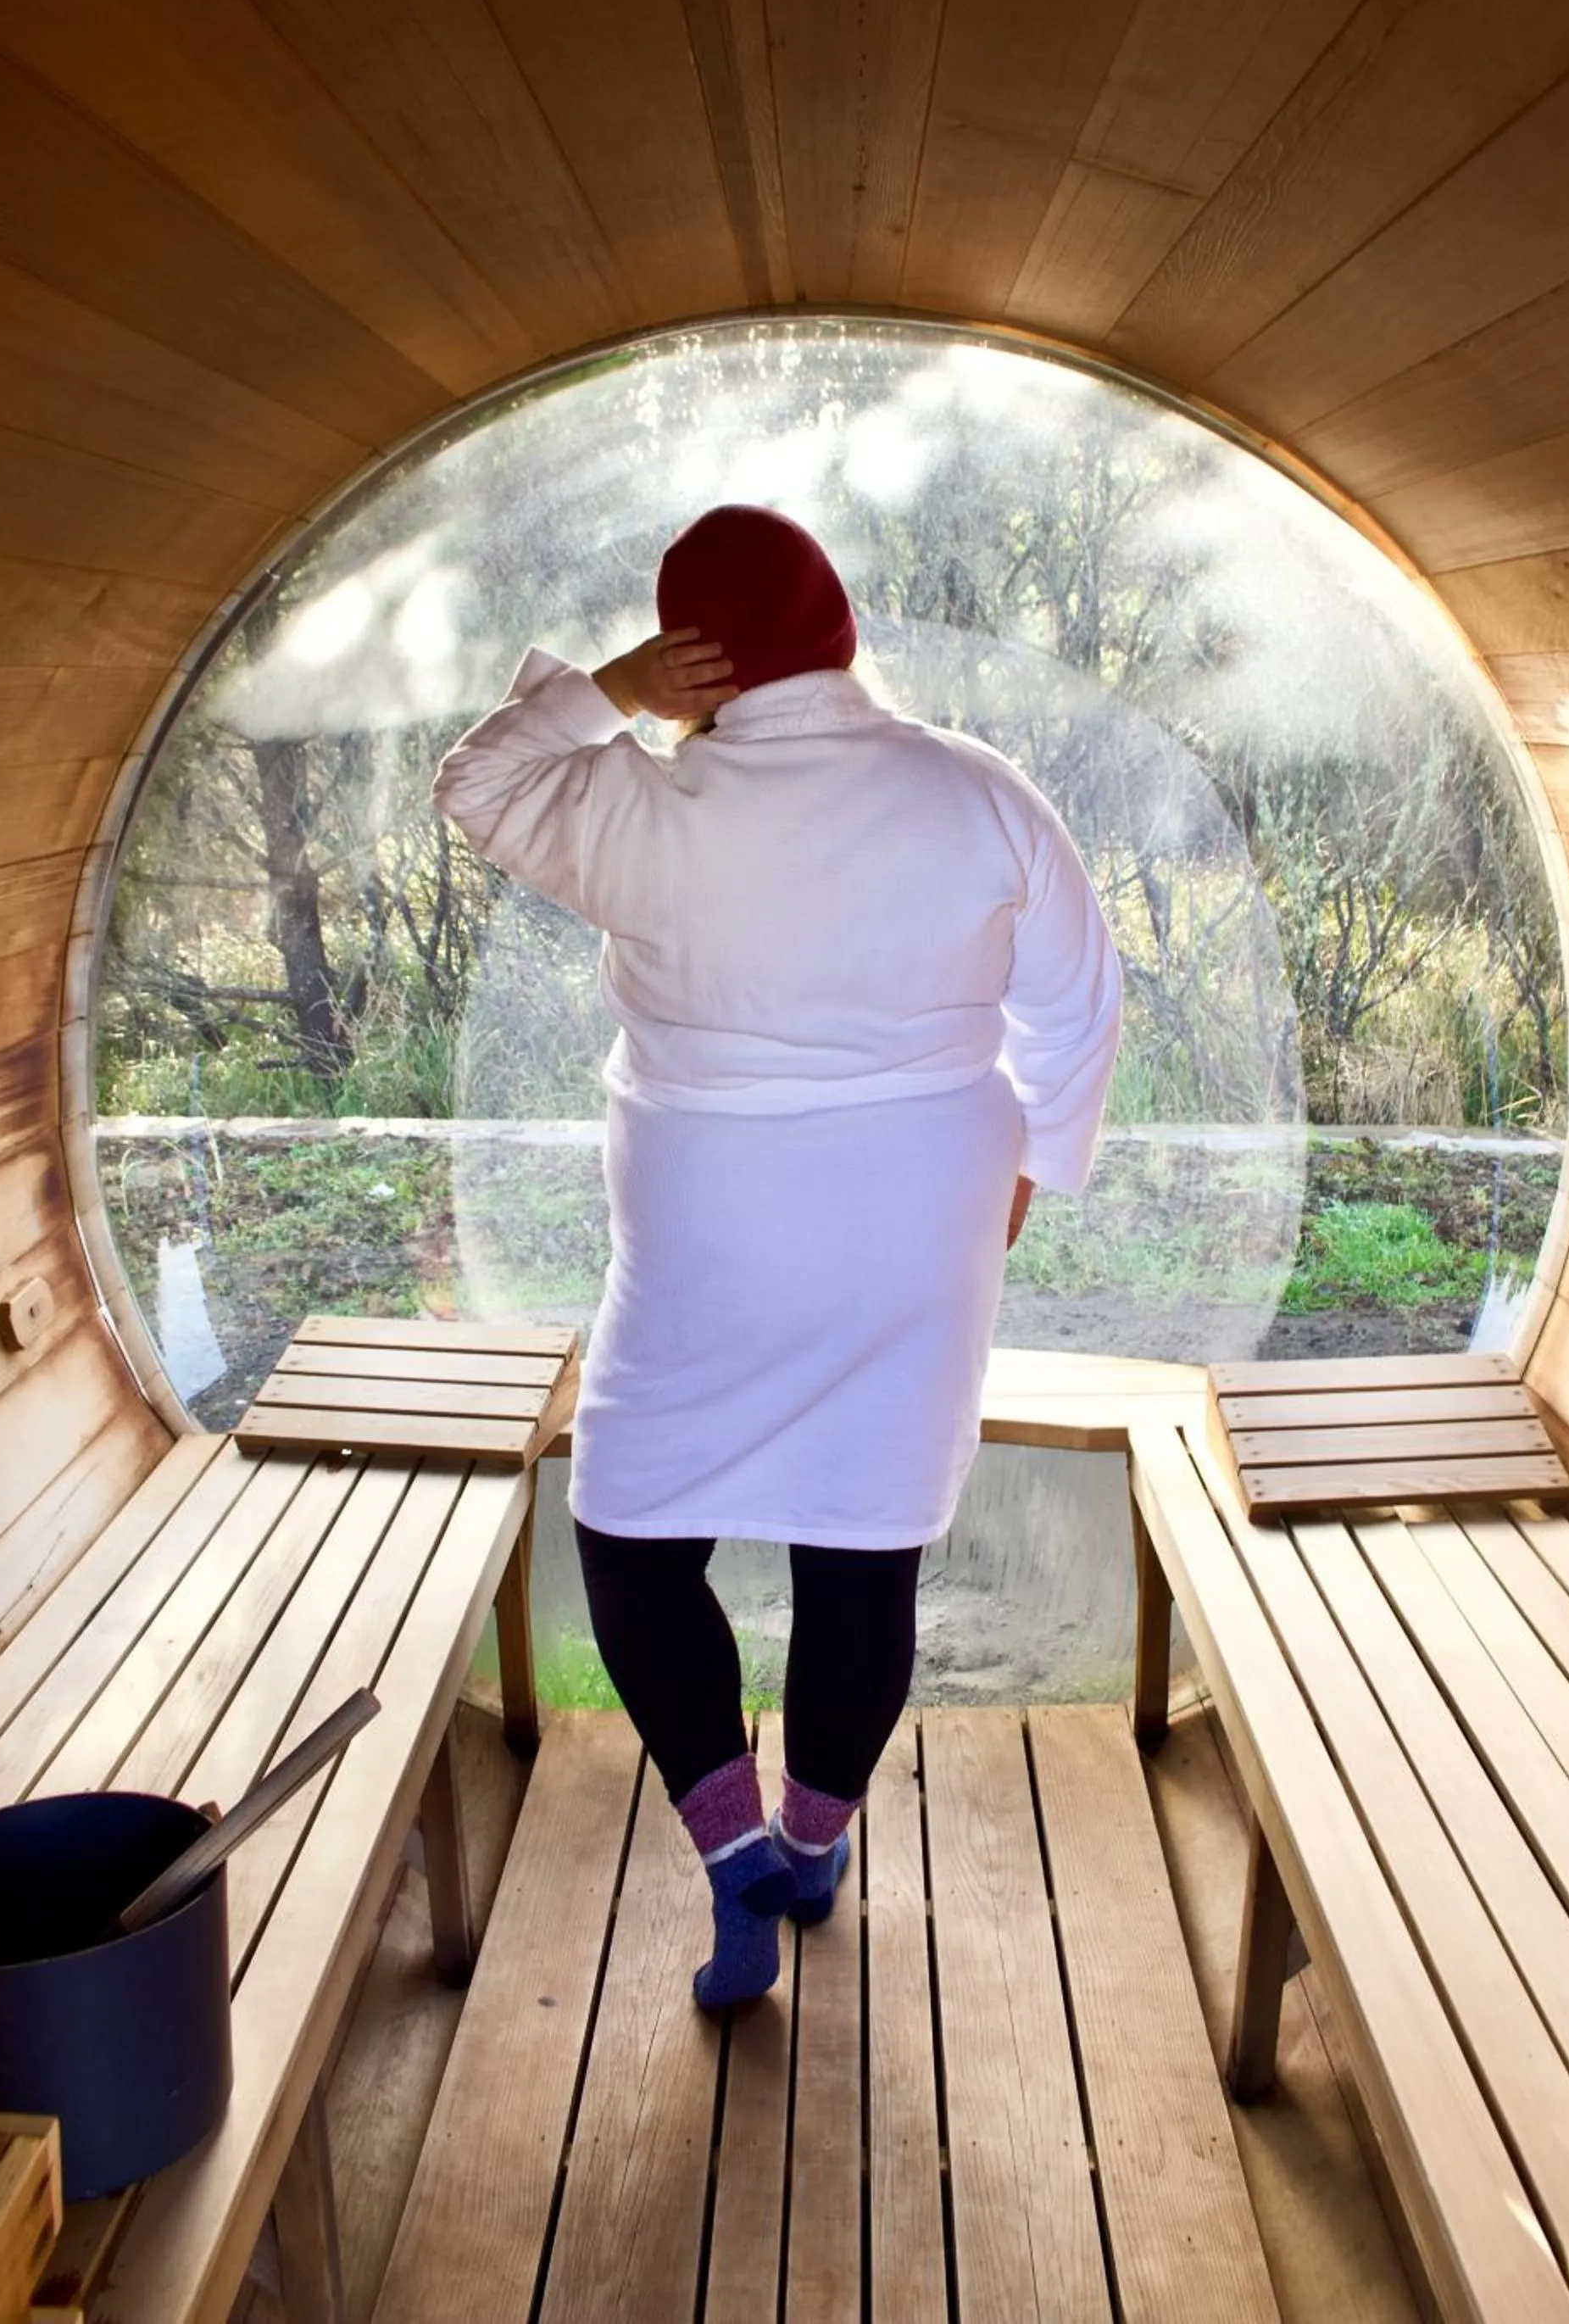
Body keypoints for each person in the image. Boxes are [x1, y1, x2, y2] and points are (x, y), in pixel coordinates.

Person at [433, 504, 1121, 2009]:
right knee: (861, 1536)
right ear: (843, 630)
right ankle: (814, 1846)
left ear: (695, 661)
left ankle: (734, 1851)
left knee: (628, 1530)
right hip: (915, 1219)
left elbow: (478, 781)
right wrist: (1033, 1159)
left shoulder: (639, 808)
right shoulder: (975, 791)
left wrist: (608, 692)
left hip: (707, 1232)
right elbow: (1079, 999)